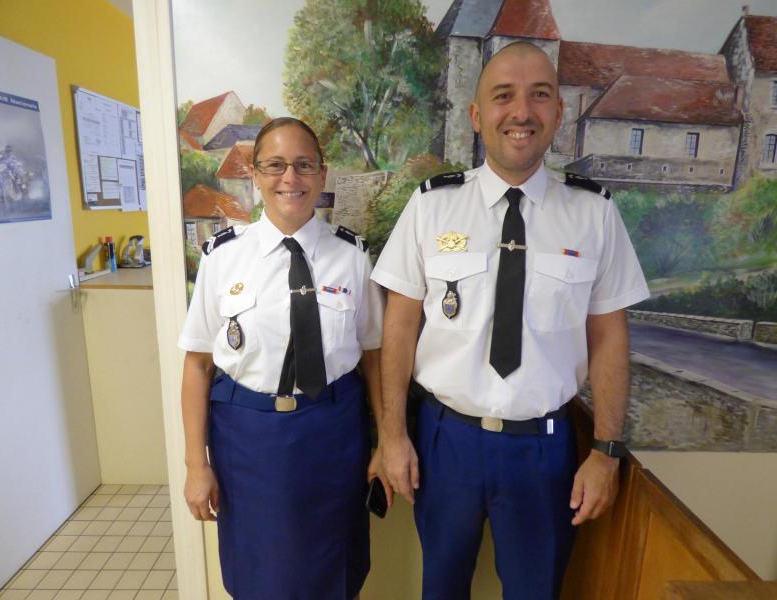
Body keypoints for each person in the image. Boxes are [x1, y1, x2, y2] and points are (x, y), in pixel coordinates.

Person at [371, 42, 650, 599]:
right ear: (477, 116)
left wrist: (607, 452)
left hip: (544, 452)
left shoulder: (593, 213)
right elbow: (398, 330)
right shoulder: (432, 206)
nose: (521, 111)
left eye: (539, 95)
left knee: (535, 591)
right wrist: (392, 436)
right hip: (443, 443)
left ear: (557, 114)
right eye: (503, 96)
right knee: (442, 587)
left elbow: (610, 339)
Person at [178, 117, 385, 600]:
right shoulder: (222, 257)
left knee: (336, 572)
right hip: (247, 441)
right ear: (254, 173)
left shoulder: (352, 257)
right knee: (259, 577)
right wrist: (195, 464)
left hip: (334, 436)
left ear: (321, 173)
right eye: (274, 165)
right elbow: (197, 365)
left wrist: (384, 442)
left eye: (303, 165)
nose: (289, 179)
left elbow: (373, 358)